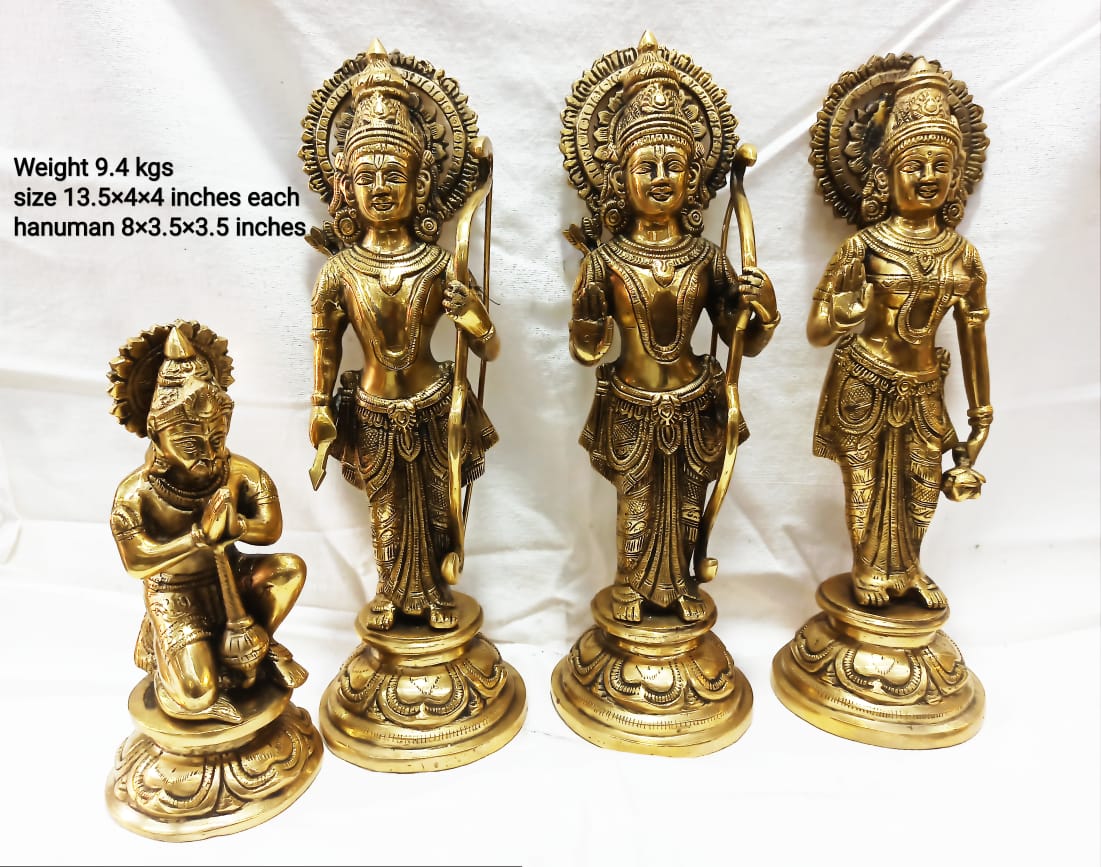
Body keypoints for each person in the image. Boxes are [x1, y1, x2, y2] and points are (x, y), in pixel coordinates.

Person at [567, 34, 778, 624]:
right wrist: (586, 317)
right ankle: (633, 586)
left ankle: (681, 585)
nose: (661, 177)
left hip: (693, 401)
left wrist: (764, 310)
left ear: (693, 179)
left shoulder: (706, 257)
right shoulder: (606, 260)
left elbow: (741, 339)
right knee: (635, 509)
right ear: (620, 178)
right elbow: (588, 349)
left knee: (686, 505)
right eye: (646, 166)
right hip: (630, 403)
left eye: (674, 166)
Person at [307, 42, 498, 632]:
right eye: (366, 177)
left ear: (420, 185)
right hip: (372, 410)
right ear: (346, 189)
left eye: (395, 174)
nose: (381, 187)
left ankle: (436, 593)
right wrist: (319, 405)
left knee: (439, 507)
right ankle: (393, 591)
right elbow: (326, 346)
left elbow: (488, 347)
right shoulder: (340, 271)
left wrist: (474, 317)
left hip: (436, 406)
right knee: (387, 511)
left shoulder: (438, 265)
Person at [807, 58, 992, 609]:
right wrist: (843, 315)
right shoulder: (863, 248)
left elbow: (973, 337)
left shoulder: (963, 256)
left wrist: (981, 415)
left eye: (940, 165)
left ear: (956, 177)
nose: (928, 176)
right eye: (914, 165)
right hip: (863, 382)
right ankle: (869, 570)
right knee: (865, 487)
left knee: (921, 488)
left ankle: (908, 569)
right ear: (886, 175)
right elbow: (816, 331)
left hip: (925, 387)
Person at [110, 323, 306, 724]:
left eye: (216, 439)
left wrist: (237, 529)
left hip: (229, 577)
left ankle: (258, 642)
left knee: (288, 570)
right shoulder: (136, 493)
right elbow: (137, 561)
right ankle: (172, 664)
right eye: (189, 443)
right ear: (156, 433)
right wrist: (198, 537)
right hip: (174, 594)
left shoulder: (238, 472)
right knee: (197, 693)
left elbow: (270, 527)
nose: (208, 453)